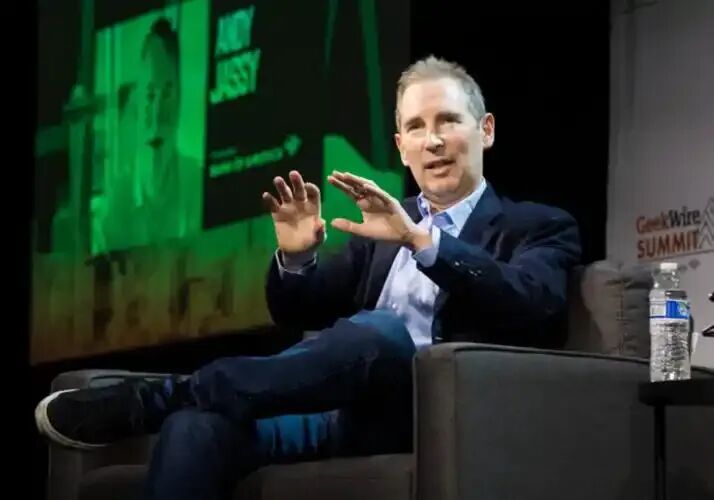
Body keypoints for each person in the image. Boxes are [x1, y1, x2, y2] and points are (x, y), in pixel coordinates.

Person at [35, 56, 581, 500]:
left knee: (380, 332)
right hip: (337, 413)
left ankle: (152, 400)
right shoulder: (380, 229)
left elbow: (533, 302)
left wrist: (423, 242)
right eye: (416, 127)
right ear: (400, 147)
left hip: (427, 416)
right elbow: (300, 312)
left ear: (485, 130)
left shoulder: (537, 226)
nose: (432, 141)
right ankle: (177, 403)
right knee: (197, 424)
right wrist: (296, 259)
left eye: (448, 122)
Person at [94, 17, 202, 253]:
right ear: (137, 100)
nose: (158, 112)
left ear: (180, 98)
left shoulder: (198, 185)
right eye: (150, 94)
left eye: (168, 93)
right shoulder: (114, 205)